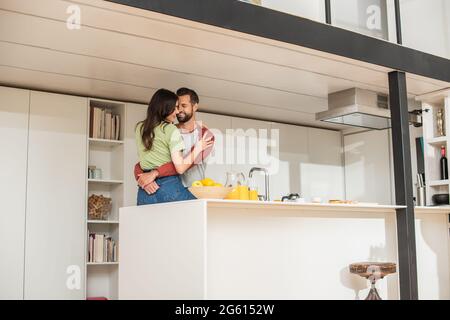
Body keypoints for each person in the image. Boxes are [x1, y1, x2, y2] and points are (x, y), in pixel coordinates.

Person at [135, 88, 213, 205]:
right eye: (176, 106)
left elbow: (184, 165)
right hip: (170, 188)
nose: (179, 110)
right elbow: (143, 162)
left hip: (192, 189)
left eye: (183, 105)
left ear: (195, 106)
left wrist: (153, 174)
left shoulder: (205, 135)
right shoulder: (169, 129)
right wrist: (144, 179)